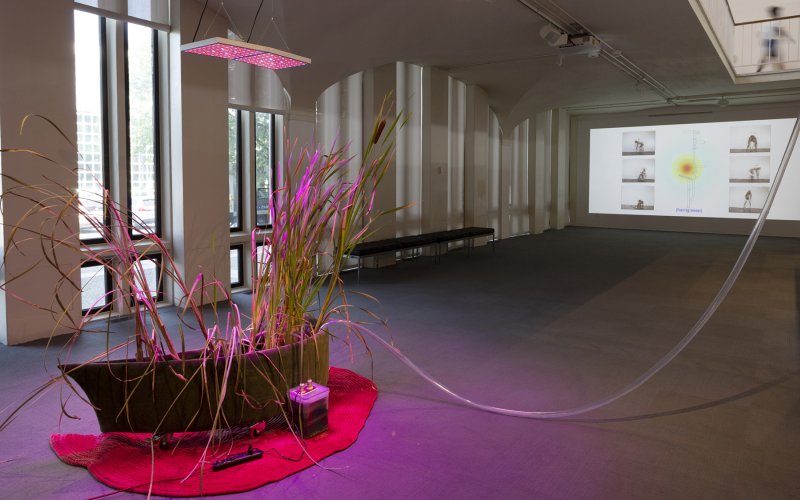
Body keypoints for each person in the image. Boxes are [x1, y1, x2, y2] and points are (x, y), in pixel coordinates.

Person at [757, 6, 795, 72]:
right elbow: (778, 29)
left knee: (770, 55)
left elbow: (761, 32)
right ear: (776, 13)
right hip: (771, 40)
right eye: (778, 13)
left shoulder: (767, 21)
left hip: (767, 40)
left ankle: (759, 69)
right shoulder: (774, 21)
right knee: (777, 56)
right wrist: (788, 36)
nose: (780, 15)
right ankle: (783, 70)